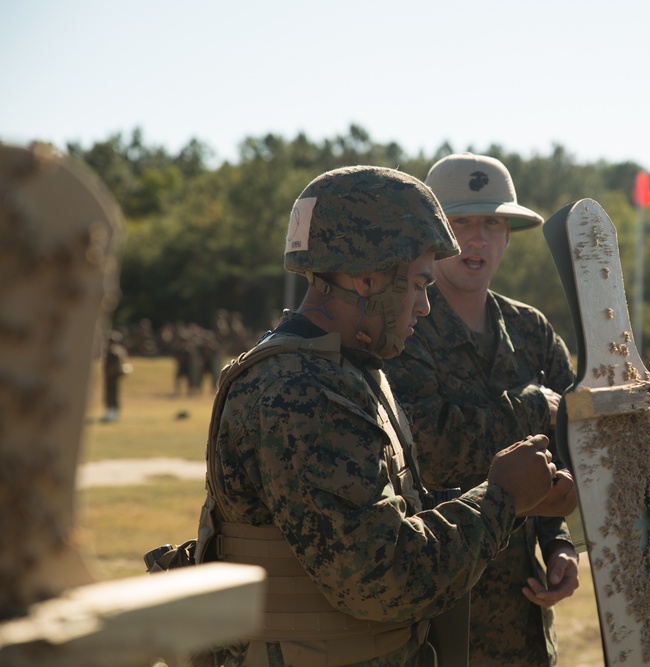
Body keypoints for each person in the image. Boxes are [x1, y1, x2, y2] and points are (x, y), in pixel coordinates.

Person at [201, 165, 576, 667]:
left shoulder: (347, 370)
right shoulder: (301, 391)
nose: (424, 306)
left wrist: (520, 498)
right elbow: (382, 578)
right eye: (418, 284)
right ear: (365, 278)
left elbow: (387, 510)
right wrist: (502, 498)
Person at [383, 153, 579, 666]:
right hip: (434, 613)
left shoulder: (531, 331)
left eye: (492, 222)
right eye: (460, 222)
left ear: (508, 236)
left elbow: (579, 450)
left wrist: (560, 542)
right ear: (430, 235)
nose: (477, 238)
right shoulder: (404, 326)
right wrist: (535, 408)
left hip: (522, 619)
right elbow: (431, 447)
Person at [100, 328, 131, 422]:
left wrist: (111, 372)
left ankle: (112, 414)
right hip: (111, 376)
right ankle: (111, 413)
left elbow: (115, 366)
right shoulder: (117, 351)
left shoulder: (113, 352)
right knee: (110, 394)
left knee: (112, 395)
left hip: (112, 376)